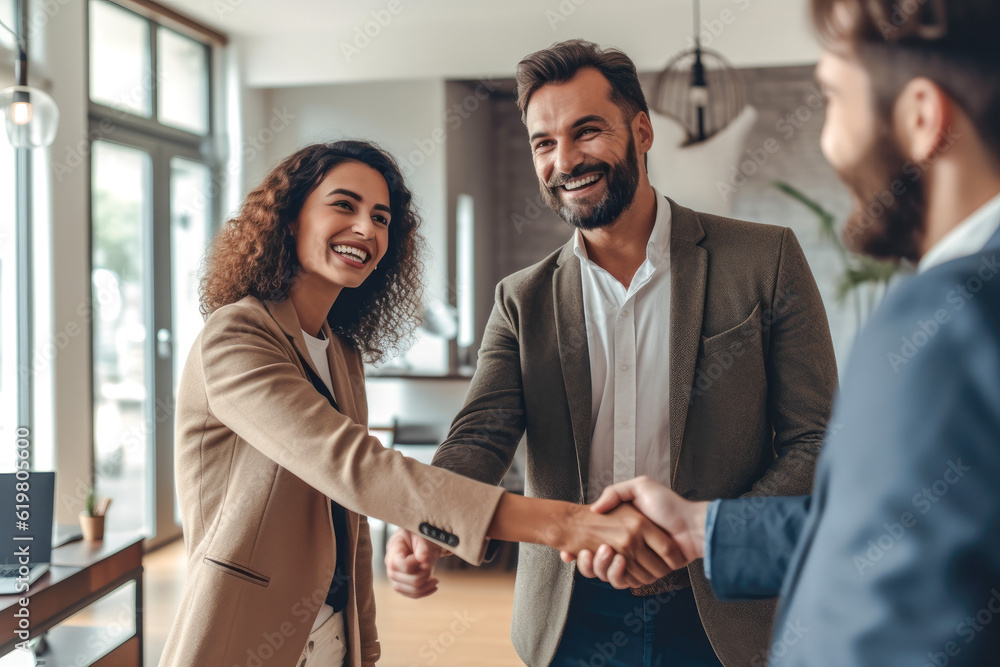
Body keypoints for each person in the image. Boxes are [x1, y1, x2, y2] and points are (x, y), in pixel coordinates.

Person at [386, 41, 839, 666]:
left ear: (642, 130)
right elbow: (480, 437)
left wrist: (703, 533)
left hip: (727, 611)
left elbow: (816, 441)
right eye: (544, 142)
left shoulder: (766, 260)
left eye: (587, 131)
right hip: (572, 614)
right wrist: (429, 516)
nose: (565, 159)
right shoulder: (521, 299)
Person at [574, 1, 1000, 664]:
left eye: (831, 97)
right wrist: (700, 526)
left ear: (922, 118)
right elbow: (891, 529)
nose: (830, 141)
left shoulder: (947, 320)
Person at [158, 140, 681, 667]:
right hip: (247, 633)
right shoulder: (235, 336)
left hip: (332, 637)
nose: (366, 228)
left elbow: (351, 517)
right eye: (344, 205)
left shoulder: (339, 352)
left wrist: (364, 644)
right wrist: (571, 524)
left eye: (381, 217)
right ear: (290, 218)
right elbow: (355, 469)